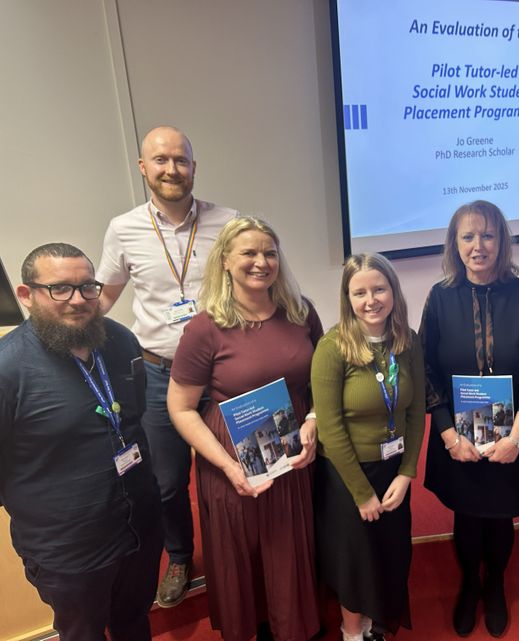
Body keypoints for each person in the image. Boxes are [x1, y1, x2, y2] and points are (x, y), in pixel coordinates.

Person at [96, 125, 238, 607]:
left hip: (222, 371)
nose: (171, 169)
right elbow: (106, 296)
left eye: (180, 160)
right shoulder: (124, 228)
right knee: (167, 481)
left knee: (232, 468)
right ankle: (180, 557)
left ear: (194, 168)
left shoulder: (228, 222)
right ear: (143, 168)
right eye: (160, 160)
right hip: (161, 374)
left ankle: (233, 556)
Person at [166, 217, 321, 641]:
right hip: (231, 459)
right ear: (226, 262)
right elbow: (180, 408)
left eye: (269, 252)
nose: (261, 262)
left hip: (291, 456)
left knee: (287, 550)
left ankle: (290, 628)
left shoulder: (300, 312)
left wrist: (312, 420)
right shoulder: (205, 327)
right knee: (242, 555)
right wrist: (228, 467)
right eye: (249, 253)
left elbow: (321, 383)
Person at [0, 243, 162, 640]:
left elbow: (134, 416)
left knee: (134, 620)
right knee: (83, 633)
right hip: (69, 550)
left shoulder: (121, 341)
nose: (78, 300)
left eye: (87, 287)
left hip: (137, 525)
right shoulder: (8, 368)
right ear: (26, 295)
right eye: (60, 289)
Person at [420, 200, 519, 637]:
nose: (479, 246)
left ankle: (494, 583)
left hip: (512, 436)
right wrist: (448, 437)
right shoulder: (439, 298)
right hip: (456, 437)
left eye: (488, 235)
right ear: (454, 244)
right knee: (466, 514)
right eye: (468, 237)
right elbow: (427, 372)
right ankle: (468, 586)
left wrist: (515, 438)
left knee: (500, 515)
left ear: (502, 241)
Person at [311, 253, 425, 641]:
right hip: (347, 476)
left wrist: (408, 472)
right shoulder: (332, 347)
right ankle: (352, 631)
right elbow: (329, 427)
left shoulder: (407, 341)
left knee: (390, 552)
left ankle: (378, 623)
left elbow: (416, 410)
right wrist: (361, 494)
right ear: (347, 297)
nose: (370, 300)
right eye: (359, 292)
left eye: (379, 288)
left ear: (393, 290)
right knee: (355, 561)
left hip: (393, 471)